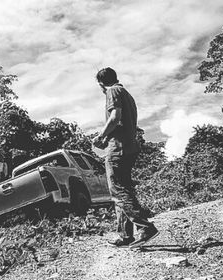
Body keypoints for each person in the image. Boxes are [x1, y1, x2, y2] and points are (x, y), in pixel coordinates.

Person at [92, 67, 159, 247]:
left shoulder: (112, 91)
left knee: (118, 191)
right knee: (124, 189)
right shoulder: (126, 93)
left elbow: (115, 117)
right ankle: (125, 235)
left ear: (101, 84)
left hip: (118, 149)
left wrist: (100, 137)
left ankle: (145, 227)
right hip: (129, 146)